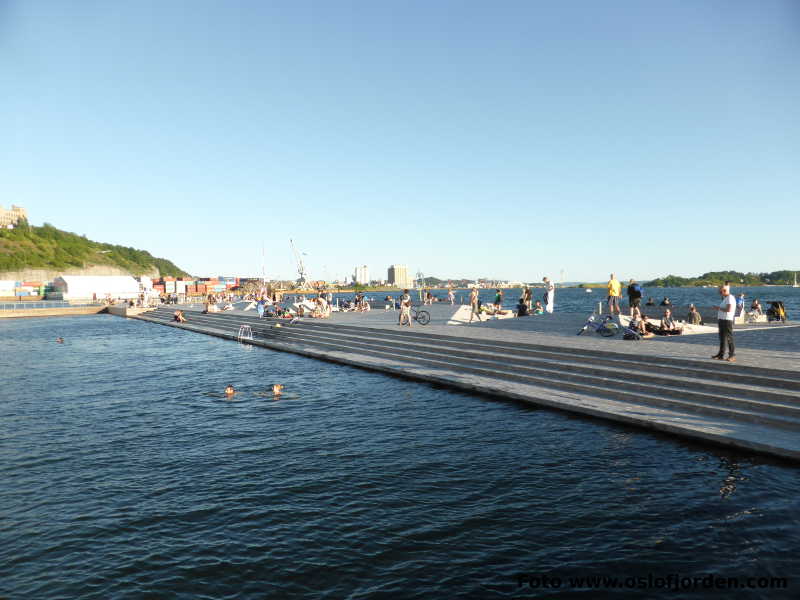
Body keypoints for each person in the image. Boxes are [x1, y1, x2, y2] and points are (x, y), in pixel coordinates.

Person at [712, 284, 736, 362]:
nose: (719, 293)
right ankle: (720, 354)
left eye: (720, 291)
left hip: (727, 320)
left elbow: (729, 309)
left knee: (729, 338)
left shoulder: (730, 298)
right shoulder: (726, 298)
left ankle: (732, 355)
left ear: (724, 290)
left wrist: (718, 308)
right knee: (722, 338)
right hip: (722, 320)